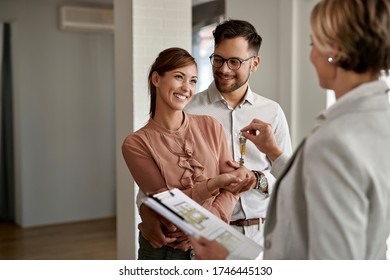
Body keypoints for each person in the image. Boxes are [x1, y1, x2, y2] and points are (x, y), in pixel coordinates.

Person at [190, 0, 390, 260]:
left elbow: (330, 262)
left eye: (313, 43)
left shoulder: (336, 139)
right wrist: (274, 152)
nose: (311, 55)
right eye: (218, 59)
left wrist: (231, 262)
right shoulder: (376, 119)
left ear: (335, 50)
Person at [136, 19, 293, 257]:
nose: (224, 69)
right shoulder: (187, 109)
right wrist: (145, 210)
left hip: (259, 239)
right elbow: (156, 180)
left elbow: (287, 176)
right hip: (199, 240)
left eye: (235, 62)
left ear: (255, 63)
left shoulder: (273, 112)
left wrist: (257, 179)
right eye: (218, 59)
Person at [122, 47, 253, 260]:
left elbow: (232, 188)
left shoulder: (211, 126)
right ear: (156, 79)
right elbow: (168, 206)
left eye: (193, 81)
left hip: (211, 246)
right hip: (165, 254)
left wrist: (206, 227)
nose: (186, 88)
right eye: (179, 77)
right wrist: (213, 184)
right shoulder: (136, 144)